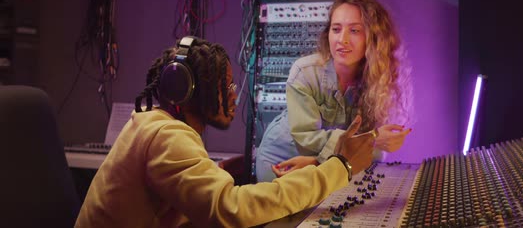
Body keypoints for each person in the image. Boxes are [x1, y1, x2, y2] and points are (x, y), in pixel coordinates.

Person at [75, 36, 376, 227]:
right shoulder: (166, 137)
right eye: (227, 86)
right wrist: (341, 166)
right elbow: (229, 211)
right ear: (188, 90)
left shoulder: (153, 124)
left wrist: (216, 173)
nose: (235, 96)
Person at [256, 0, 414, 182]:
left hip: (323, 162)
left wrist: (375, 141)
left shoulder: (377, 81)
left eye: (354, 30)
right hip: (282, 161)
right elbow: (307, 139)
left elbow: (371, 150)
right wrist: (369, 140)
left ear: (373, 37)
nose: (342, 39)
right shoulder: (304, 72)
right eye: (336, 29)